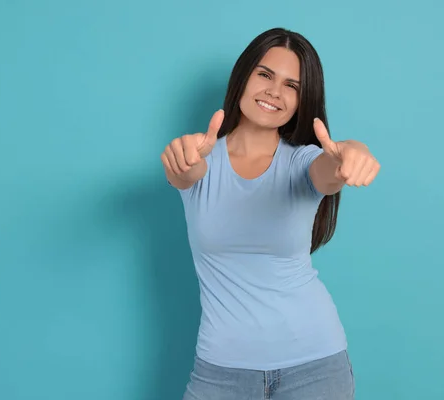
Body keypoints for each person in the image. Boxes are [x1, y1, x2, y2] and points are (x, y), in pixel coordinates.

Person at [160, 27, 380, 400]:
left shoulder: (303, 162)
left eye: (291, 85)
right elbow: (185, 172)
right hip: (221, 373)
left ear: (301, 100)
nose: (274, 92)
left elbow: (330, 168)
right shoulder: (198, 158)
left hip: (315, 367)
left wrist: (351, 153)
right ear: (243, 76)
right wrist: (179, 158)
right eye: (265, 74)